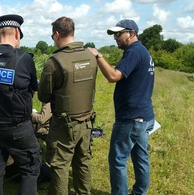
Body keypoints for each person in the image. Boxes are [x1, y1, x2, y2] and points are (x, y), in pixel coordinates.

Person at [0, 14, 41, 195]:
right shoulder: (25, 58)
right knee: (30, 168)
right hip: (18, 129)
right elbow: (34, 88)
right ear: (17, 34)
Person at [88, 19, 155, 195]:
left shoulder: (133, 52)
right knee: (141, 158)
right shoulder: (143, 51)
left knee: (117, 160)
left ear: (132, 33)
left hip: (131, 119)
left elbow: (113, 76)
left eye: (119, 34)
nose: (116, 38)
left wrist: (98, 56)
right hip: (144, 116)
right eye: (114, 34)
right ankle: (139, 192)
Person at [38, 16, 98, 195]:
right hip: (87, 121)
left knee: (59, 165)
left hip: (64, 125)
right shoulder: (91, 56)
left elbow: (43, 96)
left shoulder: (55, 62)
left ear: (56, 34)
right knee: (83, 161)